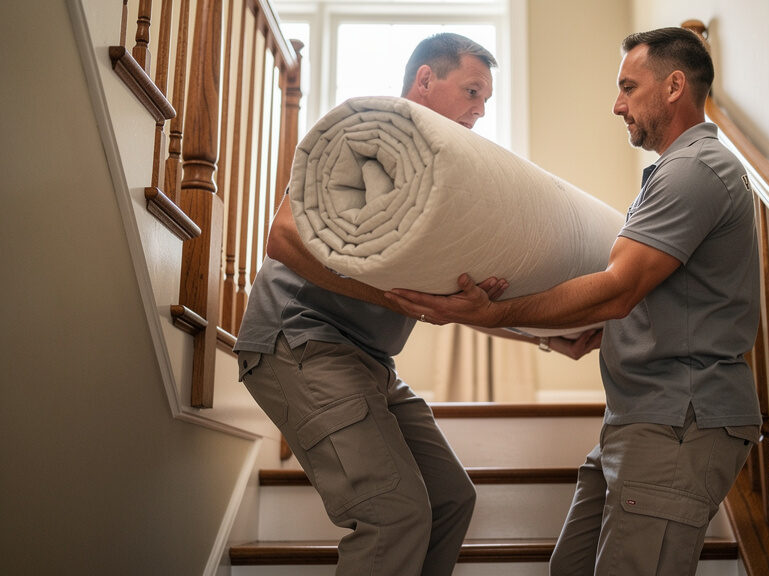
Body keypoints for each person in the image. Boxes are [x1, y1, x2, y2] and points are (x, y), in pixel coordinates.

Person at [386, 27, 761, 576]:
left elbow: (618, 287)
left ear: (675, 85)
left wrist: (500, 313)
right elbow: (658, 300)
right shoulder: (671, 173)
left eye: (629, 86)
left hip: (679, 421)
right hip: (638, 417)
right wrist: (550, 332)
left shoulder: (697, 169)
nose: (617, 104)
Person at [234, 33, 595, 576]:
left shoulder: (446, 176)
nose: (480, 110)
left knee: (452, 499)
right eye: (472, 91)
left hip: (370, 361)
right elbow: (282, 238)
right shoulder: (363, 134)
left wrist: (544, 335)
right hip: (300, 340)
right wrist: (387, 294)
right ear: (425, 80)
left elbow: (450, 302)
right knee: (394, 514)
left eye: (487, 100)